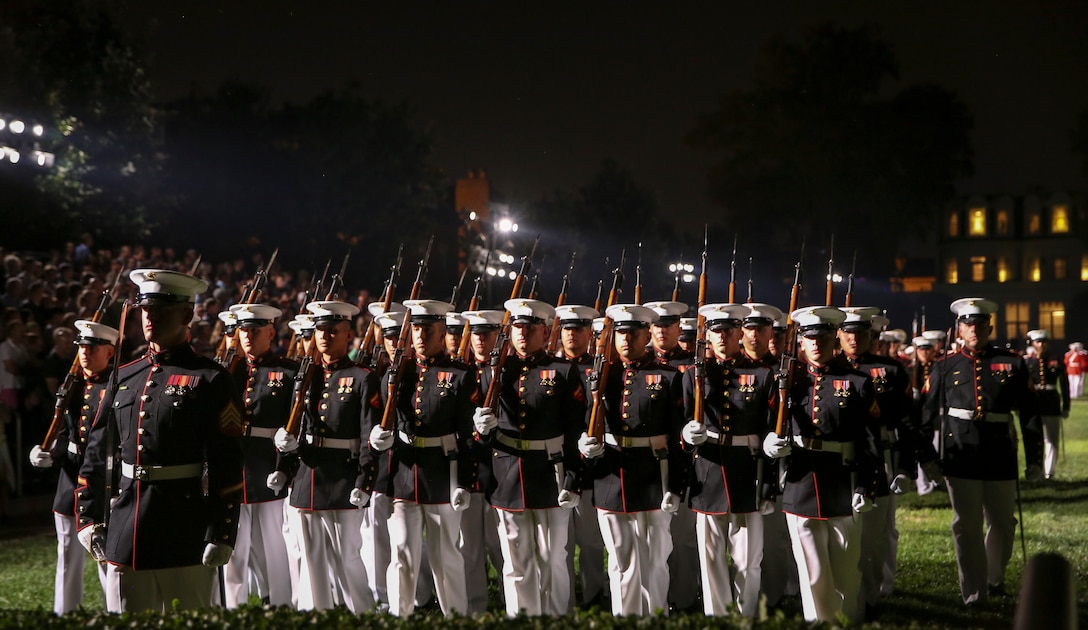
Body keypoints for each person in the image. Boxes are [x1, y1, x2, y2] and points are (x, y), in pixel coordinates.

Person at [75, 269, 244, 612]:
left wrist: (222, 531)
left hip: (184, 528)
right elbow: (96, 450)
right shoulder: (125, 375)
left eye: (161, 309)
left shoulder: (210, 378)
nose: (149, 317)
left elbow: (227, 461)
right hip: (126, 529)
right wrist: (87, 515)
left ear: (186, 315)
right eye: (145, 309)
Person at [763, 306, 881, 623]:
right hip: (801, 482)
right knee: (811, 571)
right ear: (801, 341)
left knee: (845, 568)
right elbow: (769, 422)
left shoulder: (857, 381)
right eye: (810, 338)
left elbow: (869, 439)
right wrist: (769, 442)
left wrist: (865, 485)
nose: (816, 344)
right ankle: (819, 622)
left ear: (835, 338)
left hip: (843, 479)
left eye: (824, 337)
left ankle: (848, 619)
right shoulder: (789, 381)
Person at [922, 298, 1038, 606]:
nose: (975, 330)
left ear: (990, 326)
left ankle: (993, 575)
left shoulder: (1012, 362)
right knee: (967, 525)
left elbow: (1029, 414)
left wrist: (1035, 459)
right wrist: (927, 458)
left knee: (1003, 522)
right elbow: (927, 414)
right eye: (968, 325)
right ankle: (974, 592)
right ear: (959, 328)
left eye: (980, 325)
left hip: (999, 451)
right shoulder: (945, 366)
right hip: (960, 453)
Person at [473, 298, 585, 616]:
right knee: (515, 559)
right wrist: (480, 430)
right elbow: (480, 432)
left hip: (550, 472)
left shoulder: (562, 371)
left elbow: (575, 429)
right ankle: (521, 615)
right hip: (508, 473)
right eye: (518, 327)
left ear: (546, 332)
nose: (523, 334)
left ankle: (555, 616)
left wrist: (574, 478)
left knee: (553, 558)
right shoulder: (495, 372)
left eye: (531, 328)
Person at [370, 299, 476, 616]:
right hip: (405, 472)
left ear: (442, 331)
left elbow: (469, 435)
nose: (420, 336)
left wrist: (465, 481)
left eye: (427, 330)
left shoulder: (459, 374)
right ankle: (399, 613)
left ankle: (455, 614)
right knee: (401, 550)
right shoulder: (398, 372)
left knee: (446, 554)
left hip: (443, 471)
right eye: (416, 329)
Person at [272, 299, 377, 613]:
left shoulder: (362, 377)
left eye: (334, 331)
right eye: (321, 330)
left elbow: (367, 436)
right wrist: (285, 462)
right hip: (307, 477)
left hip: (343, 478)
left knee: (348, 557)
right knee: (311, 557)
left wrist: (365, 479)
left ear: (348, 336)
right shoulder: (306, 376)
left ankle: (362, 613)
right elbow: (297, 425)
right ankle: (316, 613)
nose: (326, 336)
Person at [579, 303, 683, 616]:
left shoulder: (667, 376)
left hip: (653, 472)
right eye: (622, 333)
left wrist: (676, 484)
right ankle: (624, 617)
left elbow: (677, 434)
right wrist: (585, 446)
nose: (626, 339)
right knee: (620, 559)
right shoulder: (601, 376)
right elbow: (588, 420)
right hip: (612, 474)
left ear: (647, 334)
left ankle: (654, 616)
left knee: (653, 559)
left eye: (634, 333)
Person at [680, 303, 776, 616]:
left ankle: (747, 612)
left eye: (729, 330)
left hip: (746, 469)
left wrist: (771, 481)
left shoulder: (761, 374)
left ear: (740, 333)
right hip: (708, 469)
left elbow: (768, 426)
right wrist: (686, 434)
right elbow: (679, 421)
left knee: (748, 557)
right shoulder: (695, 374)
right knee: (709, 556)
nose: (722, 337)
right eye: (716, 331)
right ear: (707, 335)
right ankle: (716, 613)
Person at [837, 306, 926, 618]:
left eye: (860, 333)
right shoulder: (828, 369)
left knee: (874, 535)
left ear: (869, 336)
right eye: (847, 332)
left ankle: (871, 597)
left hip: (881, 457)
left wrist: (905, 467)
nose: (854, 338)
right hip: (841, 460)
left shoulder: (889, 370)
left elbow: (907, 421)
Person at [29, 319, 117, 613]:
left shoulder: (118, 387)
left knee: (105, 555)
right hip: (70, 479)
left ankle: (115, 612)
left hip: (103, 481)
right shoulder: (74, 385)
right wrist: (49, 452)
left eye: (92, 348)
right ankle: (65, 613)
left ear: (109, 352)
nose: (84, 353)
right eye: (81, 347)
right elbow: (66, 432)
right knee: (67, 554)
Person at [222, 303, 297, 607]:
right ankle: (233, 603)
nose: (248, 336)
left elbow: (295, 423)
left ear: (271, 332)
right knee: (234, 543)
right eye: (244, 330)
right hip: (234, 465)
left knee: (274, 542)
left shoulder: (287, 371)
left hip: (268, 463)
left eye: (255, 330)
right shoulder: (230, 371)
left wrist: (286, 466)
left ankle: (279, 601)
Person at [642, 299, 699, 612]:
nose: (663, 331)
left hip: (688, 460)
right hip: (654, 463)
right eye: (658, 325)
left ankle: (686, 596)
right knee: (656, 540)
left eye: (669, 325)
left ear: (680, 328)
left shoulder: (692, 364)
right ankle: (658, 600)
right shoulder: (642, 364)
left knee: (684, 538)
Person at [554, 304, 606, 609]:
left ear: (590, 333)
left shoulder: (598, 370)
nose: (572, 334)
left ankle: (594, 593)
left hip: (590, 465)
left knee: (590, 540)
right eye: (567, 329)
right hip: (557, 462)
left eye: (578, 329)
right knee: (560, 542)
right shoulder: (550, 368)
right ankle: (565, 600)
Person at [457, 308, 506, 614]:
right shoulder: (460, 373)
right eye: (475, 334)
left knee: (502, 546)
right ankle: (476, 606)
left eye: (486, 334)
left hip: (500, 470)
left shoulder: (505, 373)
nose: (480, 340)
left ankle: (508, 600)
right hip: (467, 470)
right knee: (469, 548)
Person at [1025, 330, 1070, 481]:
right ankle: (1037, 473)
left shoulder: (1055, 360)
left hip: (1051, 403)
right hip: (1034, 402)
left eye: (1044, 342)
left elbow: (1064, 385)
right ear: (1032, 343)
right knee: (1035, 439)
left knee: (1052, 440)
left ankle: (1049, 472)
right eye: (1038, 342)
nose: (1041, 345)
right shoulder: (1028, 362)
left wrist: (1066, 406)